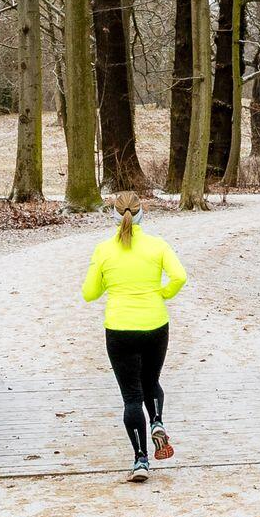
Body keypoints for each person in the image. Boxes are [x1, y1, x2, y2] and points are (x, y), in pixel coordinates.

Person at [80, 191, 186, 481]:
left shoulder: (103, 250)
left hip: (120, 328)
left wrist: (111, 283)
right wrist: (161, 293)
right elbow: (180, 277)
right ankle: (157, 421)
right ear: (142, 214)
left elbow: (89, 293)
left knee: (131, 397)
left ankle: (141, 460)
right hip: (155, 324)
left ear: (115, 217)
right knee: (151, 381)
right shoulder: (158, 245)